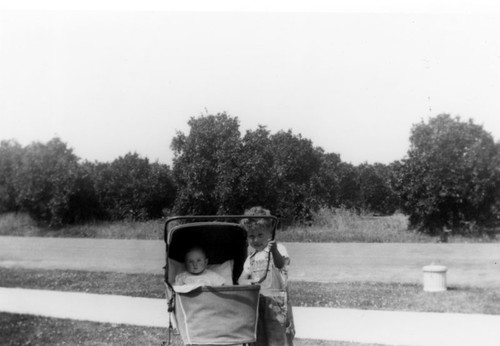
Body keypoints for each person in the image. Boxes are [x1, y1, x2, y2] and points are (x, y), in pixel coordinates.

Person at [238, 206, 295, 346]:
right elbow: (241, 279)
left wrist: (274, 251)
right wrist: (249, 282)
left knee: (278, 337)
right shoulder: (250, 258)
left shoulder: (278, 249)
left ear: (269, 232)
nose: (255, 240)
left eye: (260, 235)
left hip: (276, 302)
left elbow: (281, 265)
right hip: (257, 302)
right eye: (251, 236)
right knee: (259, 337)